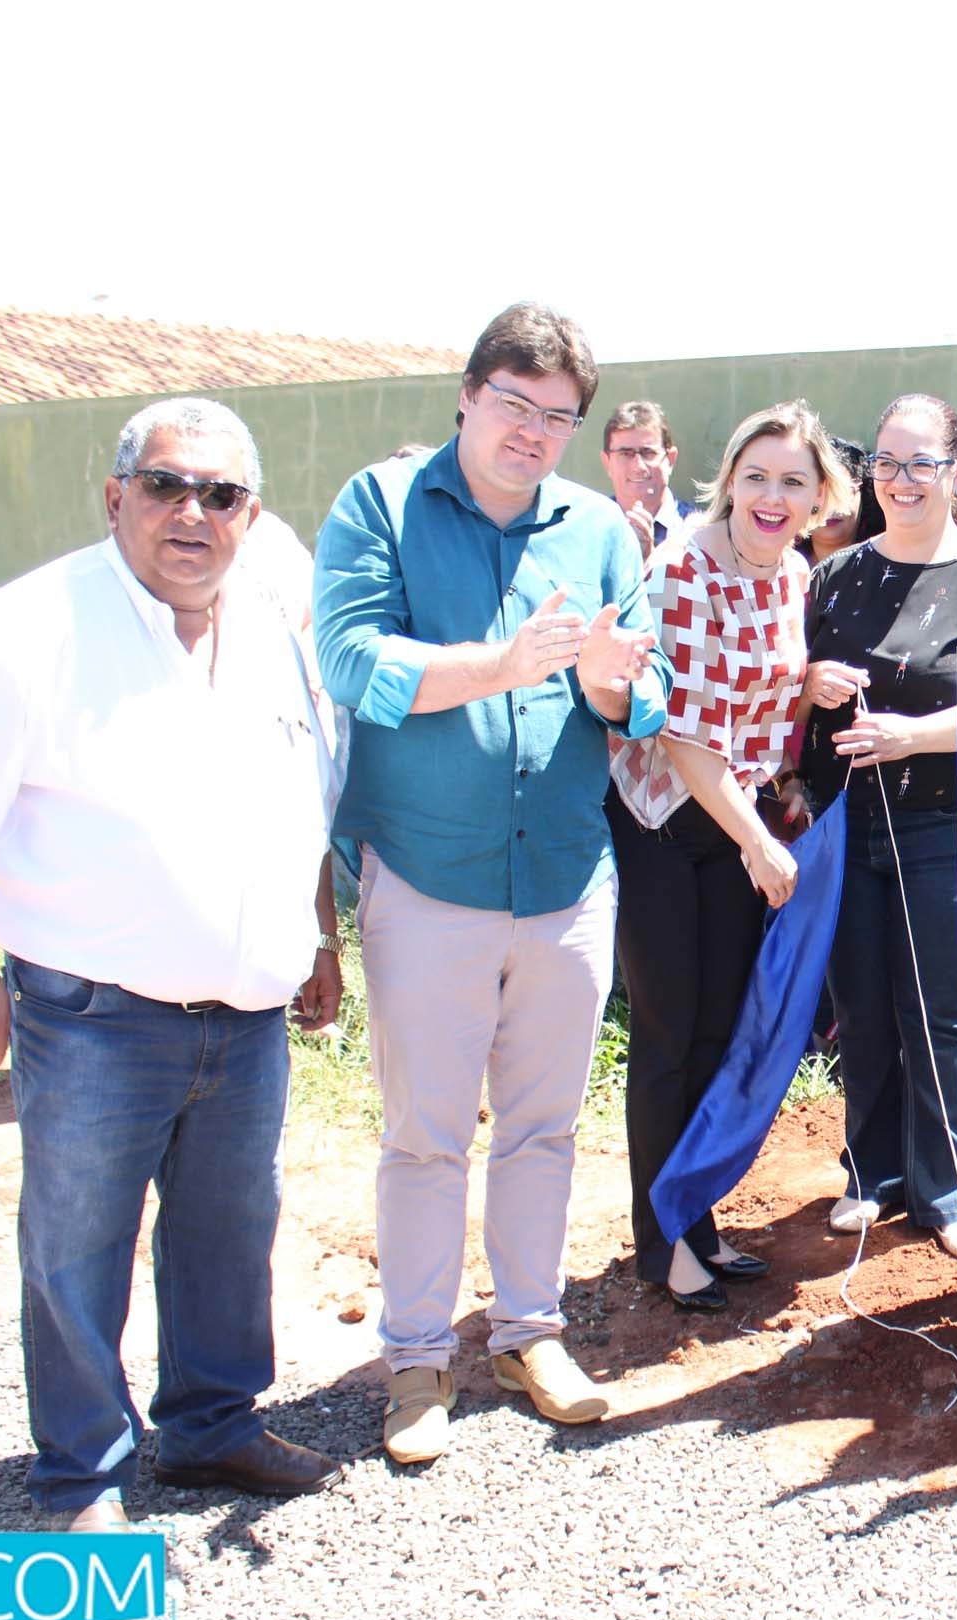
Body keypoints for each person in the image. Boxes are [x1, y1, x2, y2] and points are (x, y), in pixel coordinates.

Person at [0, 397, 345, 1529]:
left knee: (227, 1236)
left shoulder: (273, 632)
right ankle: (81, 1473)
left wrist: (319, 938)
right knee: (79, 1244)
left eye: (221, 495)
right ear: (116, 496)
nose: (193, 514)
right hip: (93, 1018)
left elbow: (302, 801)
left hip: (246, 1019)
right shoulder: (30, 628)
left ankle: (212, 1428)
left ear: (251, 514)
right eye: (168, 487)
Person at [314, 303, 669, 1465]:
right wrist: (498, 668)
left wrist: (618, 686)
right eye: (514, 405)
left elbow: (645, 694)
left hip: (566, 875)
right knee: (425, 1135)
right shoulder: (382, 504)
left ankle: (527, 1333)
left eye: (558, 416)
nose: (534, 433)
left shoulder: (602, 529)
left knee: (544, 1128)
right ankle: (417, 1359)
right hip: (427, 874)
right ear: (467, 396)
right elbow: (352, 660)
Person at [607, 400, 854, 1309]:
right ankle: (660, 1239)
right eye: (757, 476)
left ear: (820, 495)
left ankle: (696, 1216)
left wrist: (804, 706)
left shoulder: (792, 574)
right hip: (670, 822)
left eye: (794, 481)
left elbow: (766, 700)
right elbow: (683, 736)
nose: (772, 495)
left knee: (721, 1031)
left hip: (739, 820)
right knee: (672, 1037)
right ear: (728, 481)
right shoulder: (683, 572)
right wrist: (758, 839)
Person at [800, 394, 957, 1257]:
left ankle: (951, 1188)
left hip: (945, 823)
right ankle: (871, 1177)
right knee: (862, 1009)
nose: (900, 481)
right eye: (885, 463)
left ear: (955, 472)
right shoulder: (835, 576)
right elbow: (789, 688)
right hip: (847, 823)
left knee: (944, 1012)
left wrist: (914, 735)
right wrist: (808, 693)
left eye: (919, 464)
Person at [601, 400, 701, 568]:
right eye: (625, 454)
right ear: (607, 462)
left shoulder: (699, 532)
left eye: (648, 453)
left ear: (670, 460)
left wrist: (650, 559)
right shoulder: (589, 527)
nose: (638, 466)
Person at [800, 434, 884, 565]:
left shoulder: (884, 566)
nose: (830, 506)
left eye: (841, 491)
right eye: (819, 492)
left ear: (864, 496)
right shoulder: (783, 566)